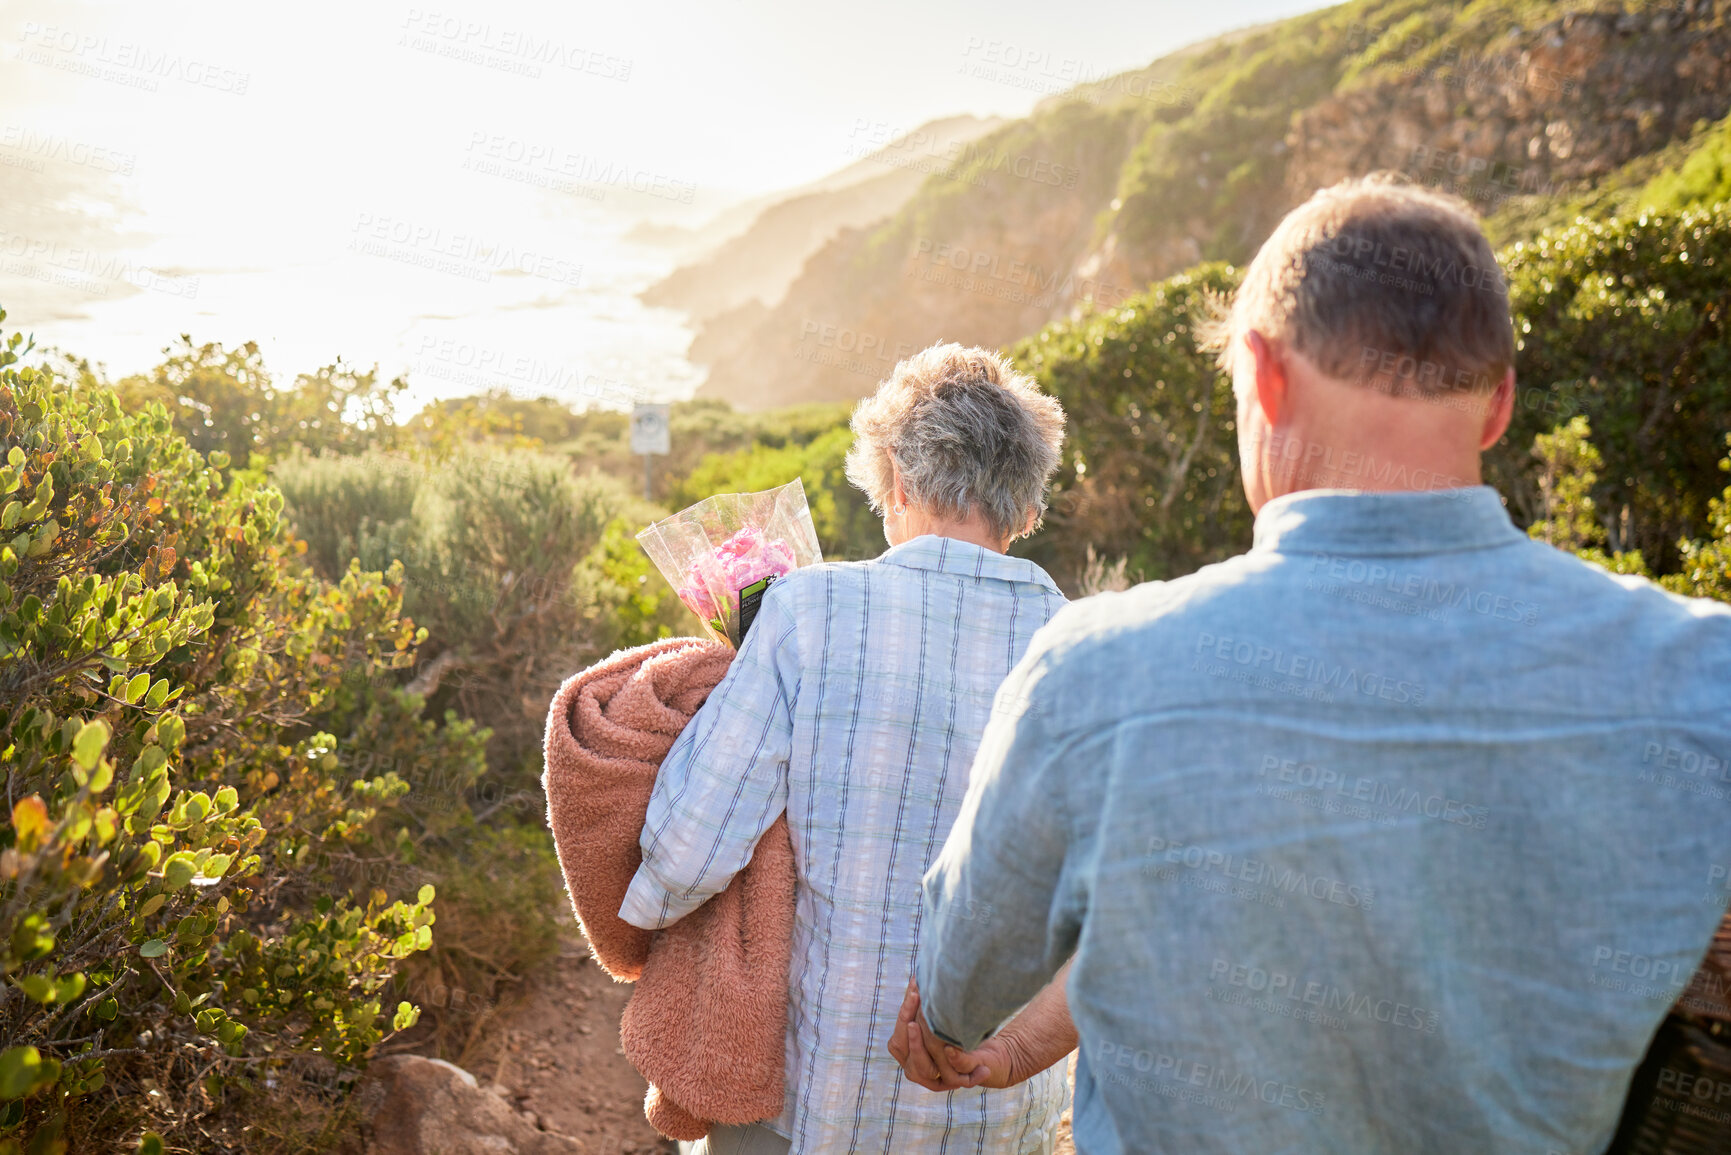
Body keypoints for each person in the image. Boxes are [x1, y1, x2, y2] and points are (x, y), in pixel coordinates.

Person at [901, 176, 1731, 1153]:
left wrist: (950, 1034)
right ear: (1501, 402)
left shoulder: (1099, 667)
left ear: (1264, 374)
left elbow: (962, 981)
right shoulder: (1700, 672)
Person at [618, 343, 1074, 1154]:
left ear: (896, 481)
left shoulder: (808, 611)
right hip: (995, 1113)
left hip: (813, 1100)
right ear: (1027, 506)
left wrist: (638, 917)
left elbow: (689, 850)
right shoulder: (1082, 645)